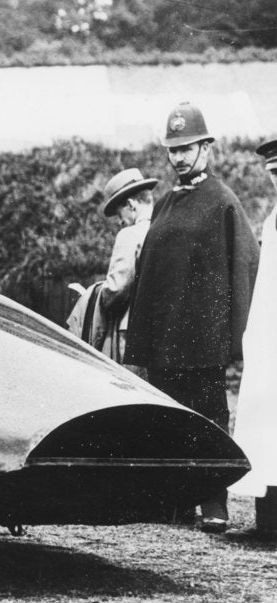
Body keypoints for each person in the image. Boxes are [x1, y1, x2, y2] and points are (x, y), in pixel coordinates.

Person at [125, 102, 259, 533]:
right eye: (173, 150)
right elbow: (150, 273)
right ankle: (175, 501)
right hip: (165, 338)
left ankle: (213, 503)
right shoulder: (165, 204)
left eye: (188, 148)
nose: (179, 157)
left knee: (209, 417)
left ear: (206, 148)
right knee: (168, 417)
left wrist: (235, 336)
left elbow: (246, 266)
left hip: (203, 338)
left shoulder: (223, 202)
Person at [229, 138, 277, 534]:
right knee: (266, 423)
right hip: (270, 340)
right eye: (275, 175)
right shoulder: (273, 219)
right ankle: (269, 520)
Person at [98, 168, 157, 363]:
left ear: (131, 205)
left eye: (119, 214)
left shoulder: (130, 235)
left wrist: (98, 293)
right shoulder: (166, 228)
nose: (120, 222)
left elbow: (116, 290)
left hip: (130, 331)